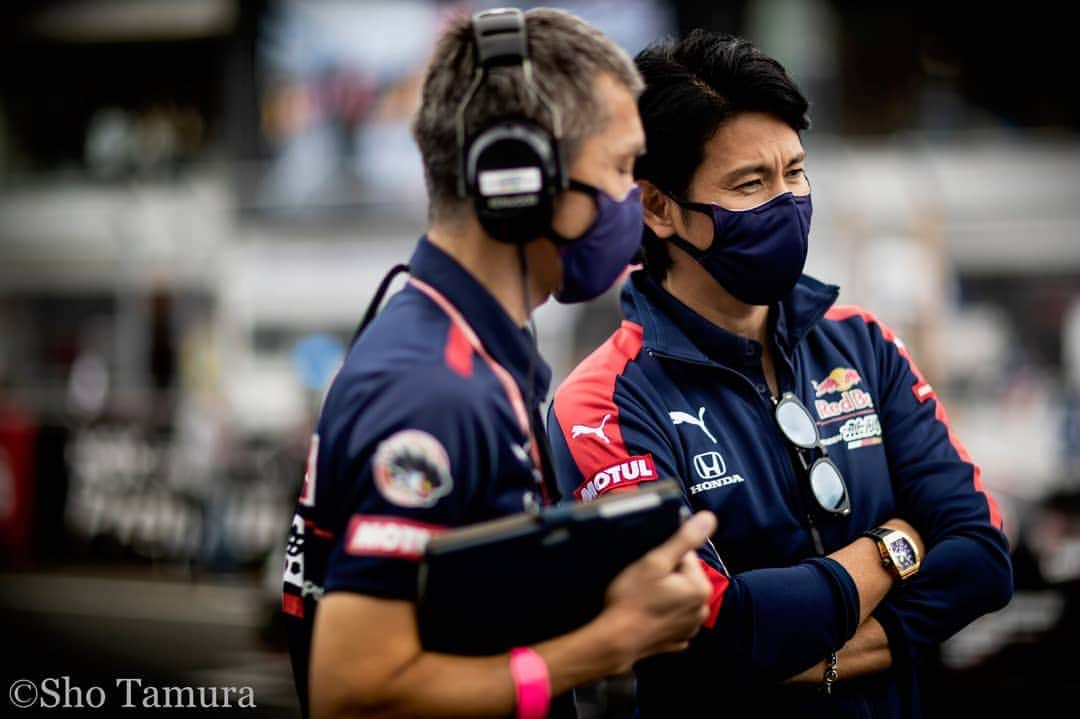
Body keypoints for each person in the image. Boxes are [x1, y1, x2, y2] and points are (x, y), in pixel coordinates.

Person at [547, 30, 1013, 717]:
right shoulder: (604, 402)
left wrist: (822, 659)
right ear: (657, 207)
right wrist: (894, 546)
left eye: (794, 172)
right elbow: (717, 630)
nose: (787, 201)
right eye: (750, 183)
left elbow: (981, 557)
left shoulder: (863, 345)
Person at [281, 9, 717, 719]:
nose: (636, 199)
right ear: (514, 177)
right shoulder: (433, 389)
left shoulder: (468, 348)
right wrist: (610, 639)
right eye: (619, 167)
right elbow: (352, 694)